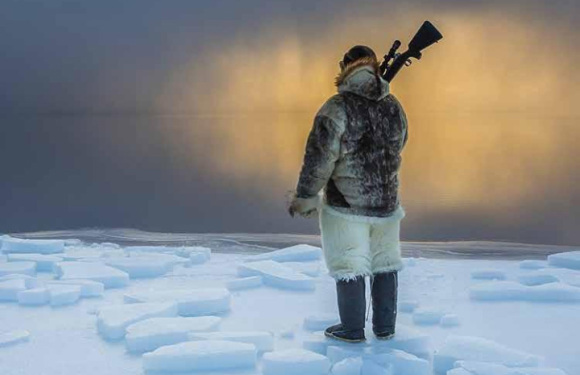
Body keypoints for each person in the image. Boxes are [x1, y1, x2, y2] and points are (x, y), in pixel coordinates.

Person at [288, 45, 408, 343]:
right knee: (385, 261)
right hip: (386, 202)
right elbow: (400, 142)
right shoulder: (394, 105)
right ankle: (384, 328)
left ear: (345, 68)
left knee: (348, 262)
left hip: (346, 204)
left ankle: (352, 329)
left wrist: (306, 195)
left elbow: (319, 158)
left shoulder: (336, 107)